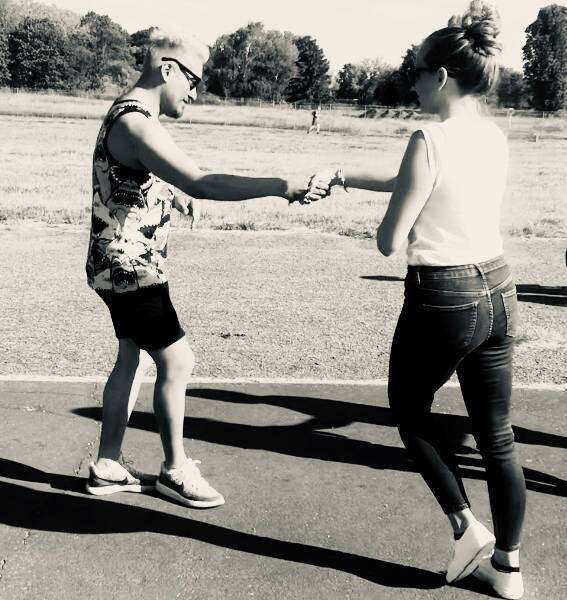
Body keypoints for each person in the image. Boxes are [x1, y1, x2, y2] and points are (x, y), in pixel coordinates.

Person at [308, 7, 526, 600]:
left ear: (443, 77)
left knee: (407, 409)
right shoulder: (493, 135)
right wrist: (347, 176)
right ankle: (508, 569)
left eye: (418, 72)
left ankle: (465, 528)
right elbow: (424, 181)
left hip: (444, 294)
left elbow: (390, 240)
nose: (413, 82)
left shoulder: (428, 138)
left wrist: (381, 218)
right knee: (497, 436)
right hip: (499, 286)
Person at [85, 30, 328, 509]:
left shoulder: (128, 112)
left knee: (132, 357)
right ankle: (175, 470)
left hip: (114, 263)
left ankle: (108, 464)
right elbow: (203, 181)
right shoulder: (138, 124)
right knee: (178, 362)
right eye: (193, 81)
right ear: (167, 69)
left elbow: (129, 172)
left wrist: (170, 195)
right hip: (133, 269)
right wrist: (281, 185)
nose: (195, 93)